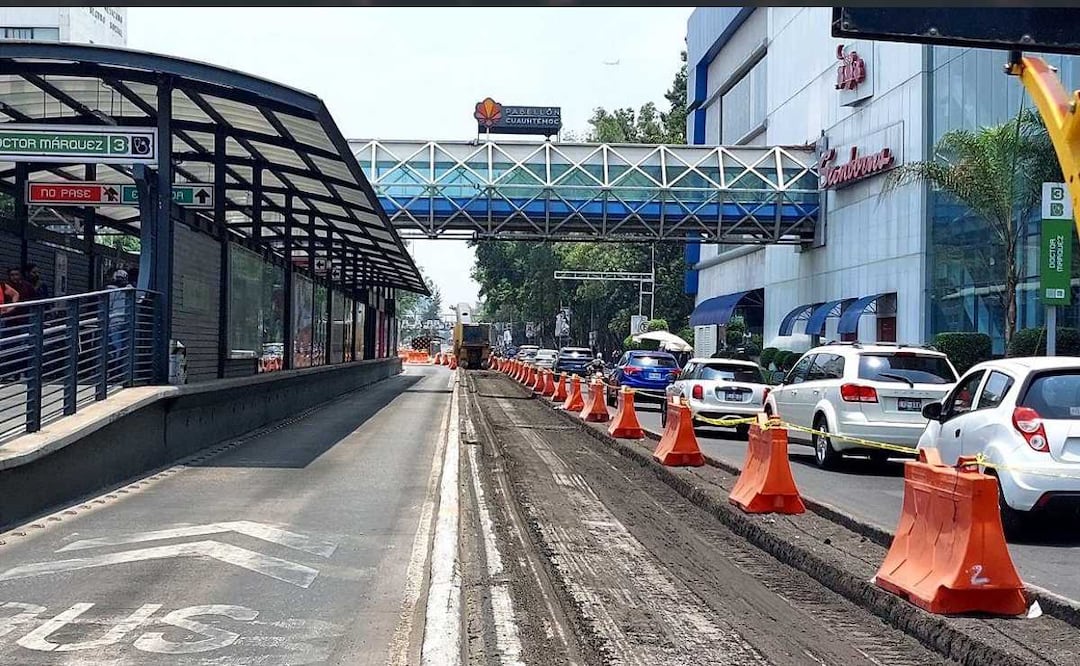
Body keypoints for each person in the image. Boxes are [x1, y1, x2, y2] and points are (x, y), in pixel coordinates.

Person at [105, 269, 132, 363]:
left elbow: (108, 306)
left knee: (113, 345)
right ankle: (118, 368)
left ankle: (114, 368)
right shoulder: (129, 290)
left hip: (113, 320)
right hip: (126, 320)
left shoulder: (110, 291)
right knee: (122, 345)